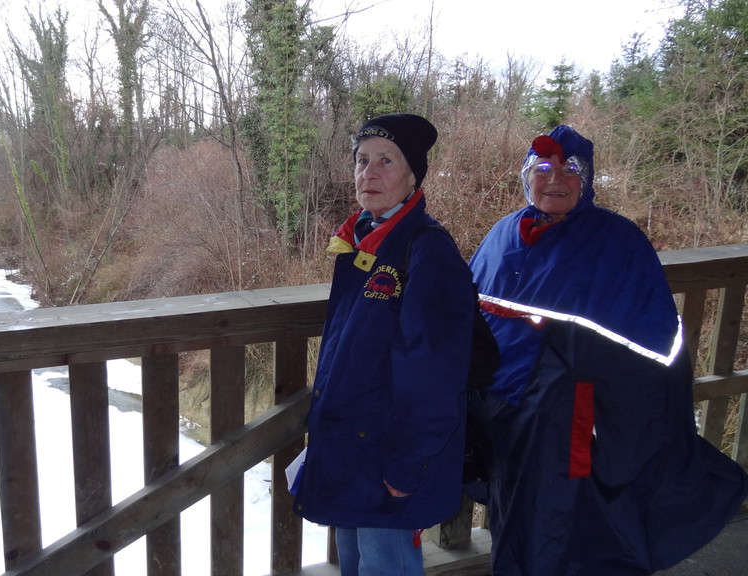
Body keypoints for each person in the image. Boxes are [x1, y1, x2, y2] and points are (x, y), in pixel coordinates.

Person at [468, 125, 748, 575]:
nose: (555, 179)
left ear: (588, 180)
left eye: (570, 169)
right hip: (503, 417)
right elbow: (470, 316)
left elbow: (655, 348)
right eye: (542, 168)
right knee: (513, 516)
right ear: (526, 176)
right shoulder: (503, 235)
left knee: (564, 529)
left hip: (568, 422)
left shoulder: (616, 241)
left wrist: (597, 406)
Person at [293, 113, 474, 576]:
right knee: (354, 566)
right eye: (362, 160)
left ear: (414, 176)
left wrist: (406, 465)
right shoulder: (361, 241)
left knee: (385, 567)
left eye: (386, 161)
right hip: (352, 452)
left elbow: (436, 372)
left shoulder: (426, 251)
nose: (369, 173)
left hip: (390, 461)